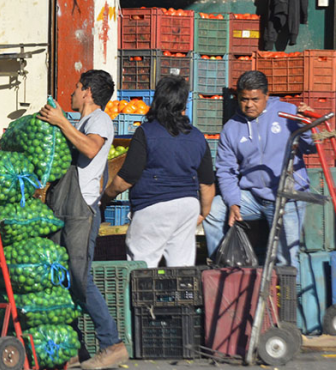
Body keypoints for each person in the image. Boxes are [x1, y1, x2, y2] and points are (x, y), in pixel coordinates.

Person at [38, 69, 128, 370]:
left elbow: (91, 148)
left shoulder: (99, 119)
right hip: (65, 208)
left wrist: (61, 121)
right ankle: (76, 348)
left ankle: (112, 344)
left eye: (76, 88)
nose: (72, 93)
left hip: (81, 210)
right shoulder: (82, 122)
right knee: (65, 280)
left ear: (88, 92)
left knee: (81, 278)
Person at [202, 70, 314, 271]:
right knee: (214, 209)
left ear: (267, 95)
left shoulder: (287, 112)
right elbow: (225, 170)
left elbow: (311, 148)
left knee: (286, 261)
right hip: (252, 198)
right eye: (244, 99)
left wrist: (307, 125)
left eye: (255, 99)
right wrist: (233, 202)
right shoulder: (231, 128)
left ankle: (288, 301)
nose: (249, 104)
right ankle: (221, 267)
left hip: (286, 198)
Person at [102, 75, 215, 268]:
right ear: (183, 104)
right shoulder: (197, 136)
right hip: (188, 207)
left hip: (153, 207)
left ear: (157, 102)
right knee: (181, 268)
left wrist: (105, 198)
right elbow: (207, 183)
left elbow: (126, 179)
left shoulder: (146, 132)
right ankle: (182, 297)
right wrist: (203, 212)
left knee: (142, 267)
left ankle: (143, 298)